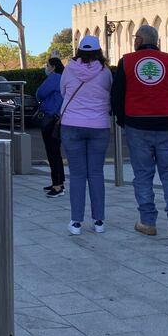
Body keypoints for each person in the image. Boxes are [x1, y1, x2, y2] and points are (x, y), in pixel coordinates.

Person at [111, 25, 168, 240]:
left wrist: (122, 119)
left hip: (137, 124)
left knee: (143, 174)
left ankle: (147, 221)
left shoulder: (126, 62)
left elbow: (117, 95)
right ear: (157, 40)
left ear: (139, 40)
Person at [59, 36, 112, 235]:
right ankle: (99, 221)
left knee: (78, 174)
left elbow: (63, 92)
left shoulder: (68, 70)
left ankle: (75, 222)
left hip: (72, 125)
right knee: (96, 173)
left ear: (79, 51)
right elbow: (109, 92)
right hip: (99, 126)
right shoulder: (106, 72)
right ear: (99, 52)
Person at [36, 57, 65, 197]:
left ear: (53, 67)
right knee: (55, 152)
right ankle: (57, 182)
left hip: (50, 118)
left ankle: (58, 186)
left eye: (47, 65)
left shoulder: (54, 78)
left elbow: (40, 92)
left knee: (52, 152)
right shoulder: (64, 78)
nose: (46, 68)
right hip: (59, 118)